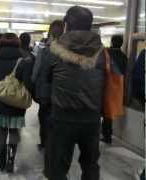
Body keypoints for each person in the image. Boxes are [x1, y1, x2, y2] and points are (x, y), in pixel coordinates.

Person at [40, 6, 104, 180]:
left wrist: (46, 106)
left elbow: (42, 84)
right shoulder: (103, 53)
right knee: (90, 165)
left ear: (67, 25)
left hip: (62, 117)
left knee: (57, 167)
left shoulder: (53, 50)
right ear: (90, 25)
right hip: (91, 118)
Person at [0, 33, 33, 173]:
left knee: (2, 132)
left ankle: (1, 162)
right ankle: (11, 161)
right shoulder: (23, 60)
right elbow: (28, 83)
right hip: (16, 103)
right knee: (13, 132)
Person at [33, 20, 64, 151]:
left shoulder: (45, 51)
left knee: (44, 116)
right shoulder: (69, 52)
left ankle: (45, 142)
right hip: (63, 93)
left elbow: (36, 71)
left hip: (46, 92)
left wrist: (34, 83)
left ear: (51, 35)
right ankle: (57, 142)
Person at [101, 34, 127, 145]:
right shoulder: (124, 57)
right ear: (121, 44)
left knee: (99, 109)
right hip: (116, 89)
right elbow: (124, 73)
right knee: (109, 113)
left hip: (104, 85)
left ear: (112, 42)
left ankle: (100, 133)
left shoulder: (106, 53)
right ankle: (107, 136)